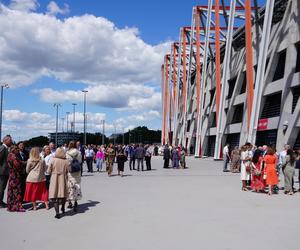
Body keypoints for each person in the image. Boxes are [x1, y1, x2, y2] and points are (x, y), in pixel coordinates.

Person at [47, 148, 70, 219]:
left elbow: (48, 171)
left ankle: (57, 213)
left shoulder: (52, 160)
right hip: (63, 178)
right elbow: (69, 170)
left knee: (54, 196)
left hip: (54, 178)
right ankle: (63, 207)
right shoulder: (66, 161)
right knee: (63, 194)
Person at [6, 145, 25, 212]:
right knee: (17, 191)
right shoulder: (13, 156)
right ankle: (17, 207)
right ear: (13, 150)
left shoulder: (9, 155)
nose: (18, 150)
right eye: (16, 149)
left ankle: (10, 206)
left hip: (11, 175)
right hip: (15, 176)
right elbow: (17, 165)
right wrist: (23, 165)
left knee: (11, 191)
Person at [66, 141, 82, 212]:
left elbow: (67, 163)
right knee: (77, 186)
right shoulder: (78, 152)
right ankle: (75, 201)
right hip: (77, 171)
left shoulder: (67, 153)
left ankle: (69, 202)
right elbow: (80, 161)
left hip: (70, 172)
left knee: (69, 186)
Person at [0, 135, 12, 208]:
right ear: (5, 140)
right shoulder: (3, 148)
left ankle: (0, 201)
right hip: (2, 172)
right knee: (1, 187)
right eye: (10, 140)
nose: (11, 142)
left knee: (2, 187)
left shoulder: (6, 148)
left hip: (5, 171)